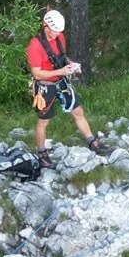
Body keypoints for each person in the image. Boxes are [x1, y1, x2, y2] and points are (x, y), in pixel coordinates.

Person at [28, 9, 111, 165]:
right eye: (55, 31)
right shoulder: (35, 46)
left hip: (61, 81)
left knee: (78, 111)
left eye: (59, 31)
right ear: (46, 27)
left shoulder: (59, 37)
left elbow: (61, 56)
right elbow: (37, 74)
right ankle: (42, 152)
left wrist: (70, 64)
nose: (57, 34)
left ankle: (92, 142)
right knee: (44, 121)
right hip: (45, 87)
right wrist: (61, 71)